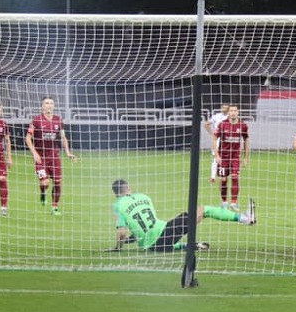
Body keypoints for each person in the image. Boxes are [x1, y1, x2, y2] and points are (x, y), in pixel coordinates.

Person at [109, 179, 255, 252]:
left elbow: (122, 232)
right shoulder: (144, 197)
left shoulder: (118, 205)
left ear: (116, 193)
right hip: (162, 235)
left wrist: (118, 247)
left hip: (151, 246)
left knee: (180, 221)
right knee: (203, 210)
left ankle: (191, 246)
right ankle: (245, 218)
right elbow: (148, 220)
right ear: (129, 188)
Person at [25, 96, 78, 216]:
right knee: (45, 183)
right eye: (46, 103)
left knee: (58, 182)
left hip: (54, 157)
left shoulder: (58, 120)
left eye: (51, 103)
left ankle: (54, 208)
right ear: (42, 106)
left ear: (54, 106)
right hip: (40, 158)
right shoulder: (36, 120)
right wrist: (34, 153)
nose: (49, 105)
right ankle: (43, 193)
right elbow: (28, 139)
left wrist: (68, 153)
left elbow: (63, 138)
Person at [212, 104, 250, 211]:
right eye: (231, 111)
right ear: (228, 113)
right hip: (223, 157)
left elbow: (246, 140)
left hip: (235, 157)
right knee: (223, 180)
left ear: (238, 112)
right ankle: (224, 202)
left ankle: (234, 203)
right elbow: (214, 138)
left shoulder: (243, 125)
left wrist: (246, 158)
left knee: (235, 177)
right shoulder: (222, 125)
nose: (233, 112)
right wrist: (217, 155)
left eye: (235, 110)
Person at [204, 103, 230, 183]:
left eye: (226, 108)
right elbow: (206, 124)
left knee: (227, 158)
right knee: (215, 158)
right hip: (218, 139)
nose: (224, 109)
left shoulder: (230, 116)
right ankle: (213, 177)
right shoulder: (216, 116)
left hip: (228, 140)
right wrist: (212, 134)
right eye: (223, 107)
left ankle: (224, 176)